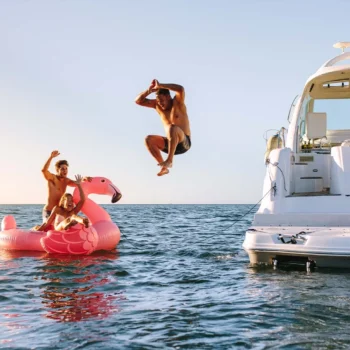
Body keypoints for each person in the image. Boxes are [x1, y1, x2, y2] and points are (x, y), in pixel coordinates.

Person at [135, 79, 191, 176]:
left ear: (168, 97)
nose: (160, 103)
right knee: (148, 139)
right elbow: (138, 101)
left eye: (162, 101)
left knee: (172, 127)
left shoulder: (178, 103)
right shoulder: (157, 105)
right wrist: (149, 91)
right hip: (170, 143)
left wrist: (161, 85)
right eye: (158, 101)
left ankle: (169, 160)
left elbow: (180, 89)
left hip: (183, 142)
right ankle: (164, 167)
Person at [41, 150, 90, 223]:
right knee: (50, 227)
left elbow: (76, 183)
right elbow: (44, 170)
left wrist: (84, 179)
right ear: (57, 170)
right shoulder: (52, 178)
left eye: (66, 169)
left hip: (59, 212)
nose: (65, 171)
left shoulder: (66, 180)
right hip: (49, 211)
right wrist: (51, 157)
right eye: (62, 169)